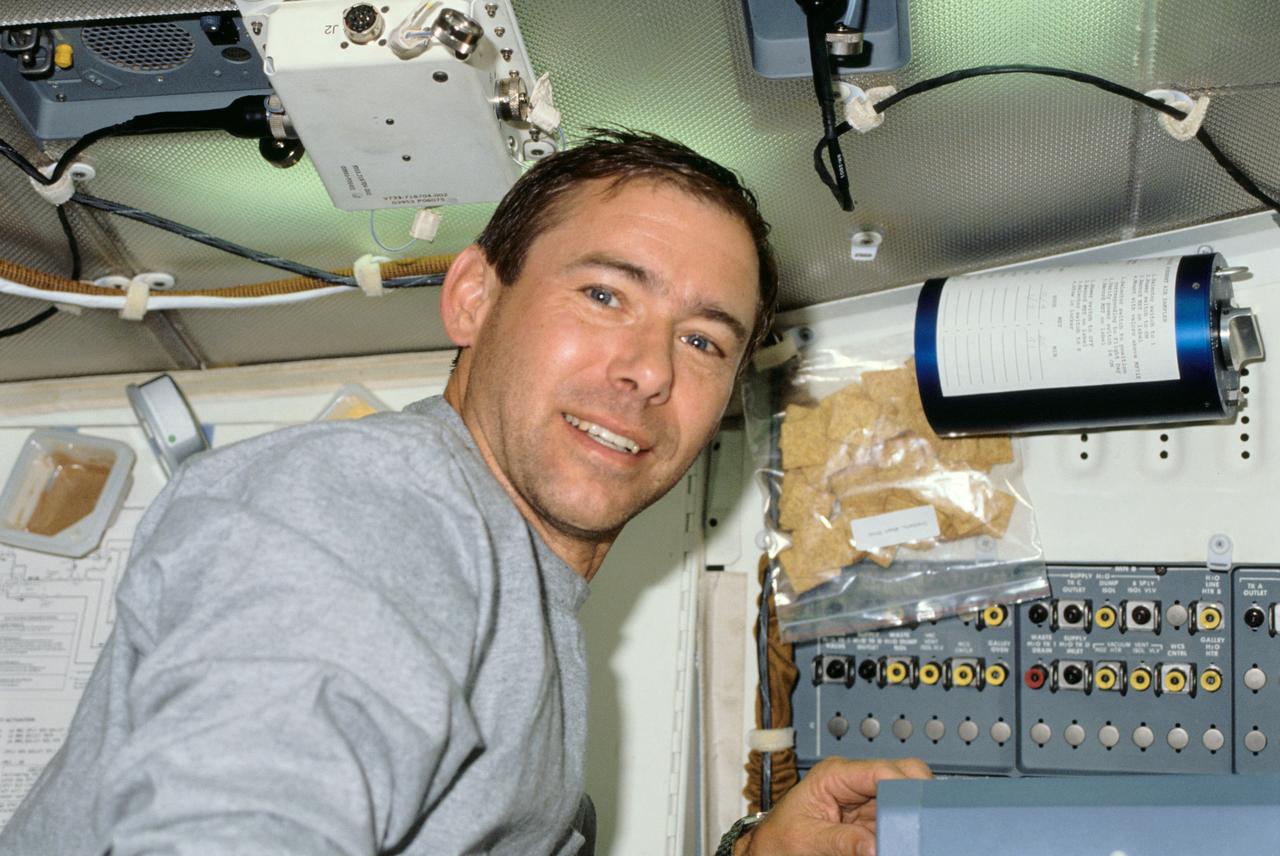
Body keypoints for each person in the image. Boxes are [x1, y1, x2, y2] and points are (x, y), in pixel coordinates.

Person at [0, 130, 928, 856]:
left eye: (703, 341)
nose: (648, 371)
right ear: (474, 299)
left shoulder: (528, 612)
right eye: (606, 295)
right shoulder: (372, 506)